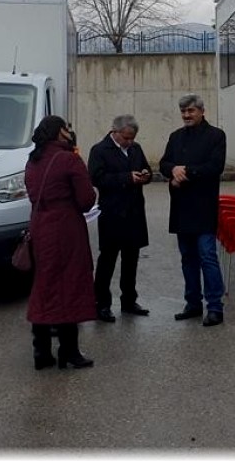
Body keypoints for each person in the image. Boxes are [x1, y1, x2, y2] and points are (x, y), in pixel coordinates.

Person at [25, 115, 98, 370]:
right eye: (66, 128)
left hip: (39, 225)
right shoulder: (69, 159)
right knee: (70, 285)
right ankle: (69, 350)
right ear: (59, 133)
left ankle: (41, 350)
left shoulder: (32, 161)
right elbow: (86, 199)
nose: (69, 131)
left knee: (44, 286)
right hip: (66, 228)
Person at [160, 94, 227, 327]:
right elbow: (164, 163)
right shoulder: (175, 137)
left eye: (190, 111)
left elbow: (215, 166)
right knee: (187, 258)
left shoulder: (216, 136)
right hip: (180, 208)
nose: (186, 115)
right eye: (183, 112)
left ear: (201, 111)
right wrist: (173, 170)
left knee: (207, 256)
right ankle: (193, 303)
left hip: (204, 207)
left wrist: (185, 172)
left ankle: (215, 307)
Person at [87, 114, 153, 322]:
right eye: (126, 138)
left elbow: (147, 169)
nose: (129, 142)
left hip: (134, 212)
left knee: (131, 259)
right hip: (112, 213)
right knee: (107, 260)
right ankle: (102, 304)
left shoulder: (136, 148)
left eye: (132, 138)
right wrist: (126, 178)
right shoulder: (99, 150)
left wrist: (145, 175)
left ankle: (129, 300)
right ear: (114, 132)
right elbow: (96, 178)